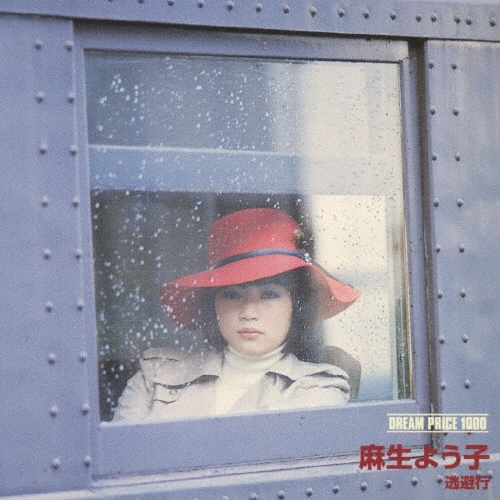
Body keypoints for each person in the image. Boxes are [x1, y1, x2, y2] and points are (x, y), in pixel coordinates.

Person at [113, 208, 361, 421]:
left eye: (269, 295)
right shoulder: (155, 377)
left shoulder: (319, 387)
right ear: (213, 306)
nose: (248, 313)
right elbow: (119, 455)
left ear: (296, 306)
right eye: (232, 295)